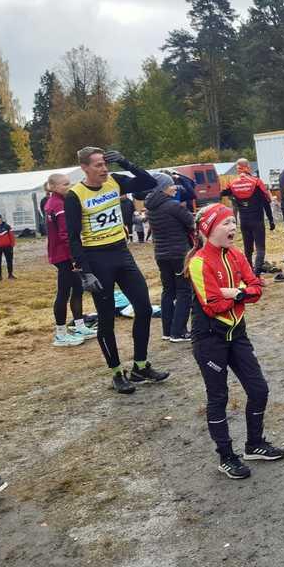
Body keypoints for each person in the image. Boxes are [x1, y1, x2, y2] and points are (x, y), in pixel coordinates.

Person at [186, 203, 284, 479]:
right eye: (226, 223)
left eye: (233, 221)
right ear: (208, 229)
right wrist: (241, 292)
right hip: (209, 340)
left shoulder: (236, 254)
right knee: (218, 397)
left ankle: (254, 444)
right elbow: (213, 305)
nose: (233, 227)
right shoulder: (198, 262)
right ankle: (226, 456)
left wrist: (233, 292)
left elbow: (257, 289)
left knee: (259, 389)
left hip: (237, 334)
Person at [66, 147, 169, 394]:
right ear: (84, 168)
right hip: (96, 258)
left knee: (144, 308)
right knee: (106, 319)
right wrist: (85, 271)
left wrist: (125, 162)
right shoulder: (75, 195)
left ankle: (140, 366)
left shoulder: (115, 181)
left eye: (105, 164)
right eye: (98, 165)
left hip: (121, 253)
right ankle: (116, 372)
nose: (104, 169)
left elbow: (149, 182)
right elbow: (72, 237)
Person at [45, 173, 95, 347]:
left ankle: (79, 325)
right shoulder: (58, 204)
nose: (69, 186)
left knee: (78, 288)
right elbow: (65, 234)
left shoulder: (55, 201)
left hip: (64, 253)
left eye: (69, 183)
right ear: (53, 187)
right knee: (63, 293)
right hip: (63, 255)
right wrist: (75, 256)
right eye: (65, 184)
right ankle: (60, 333)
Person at [145, 173, 195, 342]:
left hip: (161, 254)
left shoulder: (150, 206)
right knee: (184, 291)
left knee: (168, 291)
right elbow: (191, 222)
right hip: (179, 254)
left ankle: (167, 331)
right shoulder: (173, 206)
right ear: (163, 188)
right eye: (171, 185)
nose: (175, 188)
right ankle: (179, 331)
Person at [223, 159, 275, 279]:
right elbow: (266, 202)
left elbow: (223, 193)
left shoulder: (233, 183)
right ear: (248, 167)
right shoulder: (256, 182)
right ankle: (256, 275)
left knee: (248, 249)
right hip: (257, 220)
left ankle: (249, 275)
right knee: (260, 248)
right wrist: (271, 220)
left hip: (244, 220)